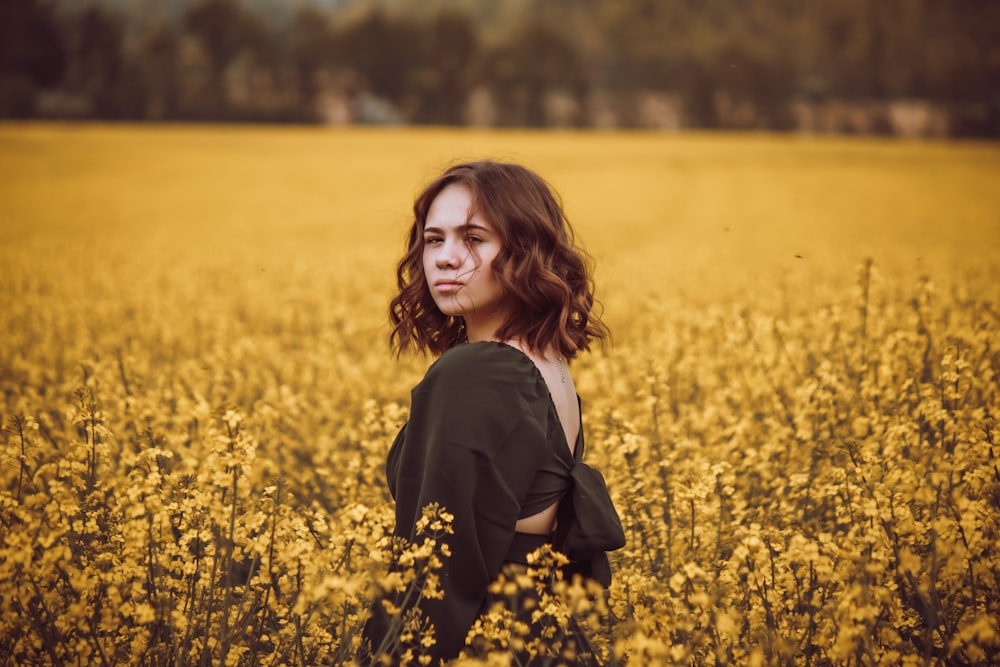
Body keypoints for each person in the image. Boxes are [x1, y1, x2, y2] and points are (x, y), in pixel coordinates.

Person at [363, 160, 624, 665]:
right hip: (540, 638)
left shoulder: (482, 371)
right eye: (433, 240)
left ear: (524, 252)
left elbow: (437, 566)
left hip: (485, 644)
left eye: (474, 238)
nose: (445, 258)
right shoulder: (548, 366)